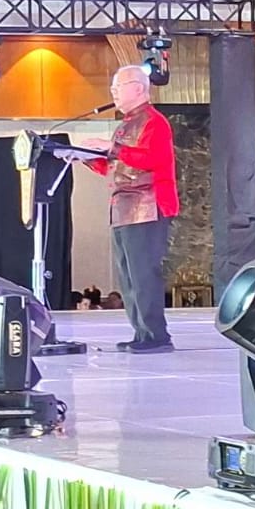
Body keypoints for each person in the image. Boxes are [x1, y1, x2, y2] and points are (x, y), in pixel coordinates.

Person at [82, 65, 180, 353]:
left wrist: (110, 148)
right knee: (127, 277)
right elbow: (117, 168)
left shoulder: (154, 121)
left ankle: (156, 336)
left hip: (146, 206)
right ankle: (141, 332)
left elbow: (151, 159)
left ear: (138, 88)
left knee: (143, 274)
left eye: (118, 86)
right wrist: (86, 156)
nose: (113, 91)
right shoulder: (126, 124)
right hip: (123, 208)